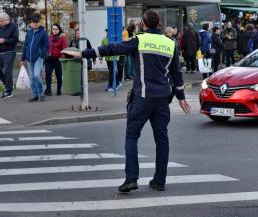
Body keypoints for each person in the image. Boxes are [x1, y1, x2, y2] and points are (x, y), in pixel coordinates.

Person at [63, 10, 192, 193]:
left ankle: (131, 178)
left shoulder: (138, 40)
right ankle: (159, 181)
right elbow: (177, 75)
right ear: (160, 25)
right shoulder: (170, 43)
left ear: (143, 24)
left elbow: (112, 49)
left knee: (132, 137)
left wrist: (82, 54)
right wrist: (181, 98)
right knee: (162, 139)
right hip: (162, 99)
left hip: (142, 98)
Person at [20, 14, 49, 102]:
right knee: (32, 77)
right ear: (31, 23)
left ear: (39, 22)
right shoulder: (29, 33)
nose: (35, 24)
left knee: (36, 75)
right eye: (34, 22)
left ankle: (41, 93)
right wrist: (22, 58)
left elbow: (46, 45)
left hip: (38, 58)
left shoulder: (43, 32)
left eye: (37, 22)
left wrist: (41, 54)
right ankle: (36, 94)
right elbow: (25, 46)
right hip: (29, 58)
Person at [0, 12, 19, 97]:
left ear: (7, 20)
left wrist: (4, 40)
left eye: (1, 21)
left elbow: (15, 39)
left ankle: (9, 91)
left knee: (7, 71)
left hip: (9, 51)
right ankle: (8, 85)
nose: (0, 23)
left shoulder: (13, 27)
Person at [45, 24, 67, 96]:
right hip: (49, 59)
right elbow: (46, 47)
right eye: (53, 29)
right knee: (48, 74)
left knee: (59, 76)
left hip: (58, 59)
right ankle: (48, 90)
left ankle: (59, 90)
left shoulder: (62, 38)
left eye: (56, 29)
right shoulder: (49, 37)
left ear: (59, 30)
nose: (54, 30)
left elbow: (64, 48)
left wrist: (62, 57)